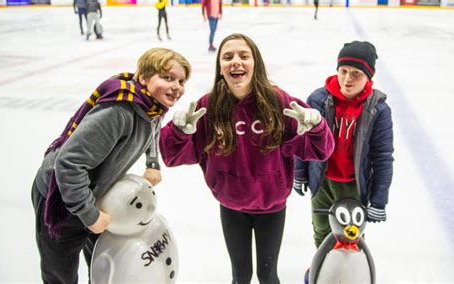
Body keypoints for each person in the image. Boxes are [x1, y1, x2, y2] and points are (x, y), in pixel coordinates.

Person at [160, 33, 334, 283]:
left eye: (244, 55)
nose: (236, 62)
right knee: (240, 275)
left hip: (271, 207)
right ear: (220, 67)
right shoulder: (208, 106)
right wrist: (178, 132)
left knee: (267, 275)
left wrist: (317, 127)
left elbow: (320, 151)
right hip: (231, 207)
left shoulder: (279, 102)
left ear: (256, 63)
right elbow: (172, 156)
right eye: (228, 57)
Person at [31, 48, 191, 283]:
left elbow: (154, 126)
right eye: (168, 78)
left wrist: (153, 161)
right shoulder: (119, 111)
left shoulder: (152, 106)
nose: (177, 86)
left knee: (102, 263)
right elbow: (68, 163)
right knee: (60, 273)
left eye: (181, 80)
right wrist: (89, 215)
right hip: (60, 196)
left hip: (97, 193)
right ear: (144, 78)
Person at [293, 41, 394, 282]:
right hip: (323, 180)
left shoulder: (378, 109)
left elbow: (382, 157)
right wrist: (300, 172)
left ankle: (352, 270)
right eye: (343, 71)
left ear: (368, 77)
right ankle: (323, 264)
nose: (347, 79)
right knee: (321, 228)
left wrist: (379, 199)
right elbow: (301, 137)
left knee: (352, 233)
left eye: (356, 73)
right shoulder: (318, 99)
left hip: (354, 185)